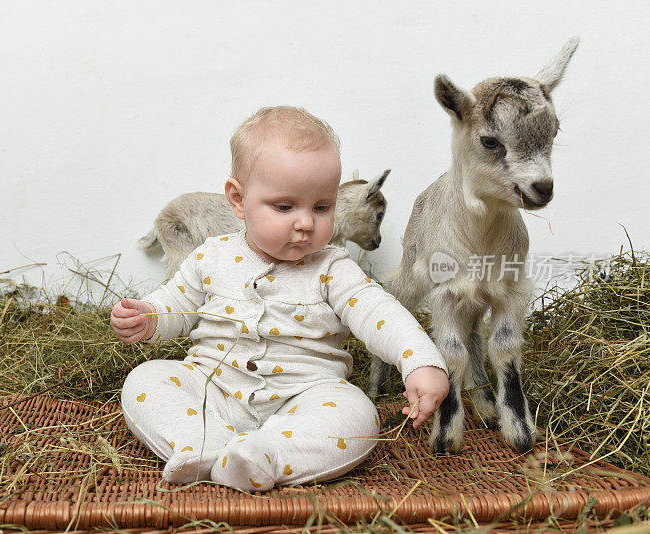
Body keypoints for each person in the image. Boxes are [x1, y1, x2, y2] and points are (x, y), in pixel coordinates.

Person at [112, 106, 449, 492]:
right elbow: (177, 302)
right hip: (212, 390)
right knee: (146, 379)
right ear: (238, 200)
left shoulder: (332, 268)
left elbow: (379, 312)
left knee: (358, 415)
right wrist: (150, 315)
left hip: (305, 398)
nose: (306, 222)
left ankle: (265, 455)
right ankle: (202, 445)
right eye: (285, 207)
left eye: (321, 207)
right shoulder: (212, 255)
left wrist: (421, 362)